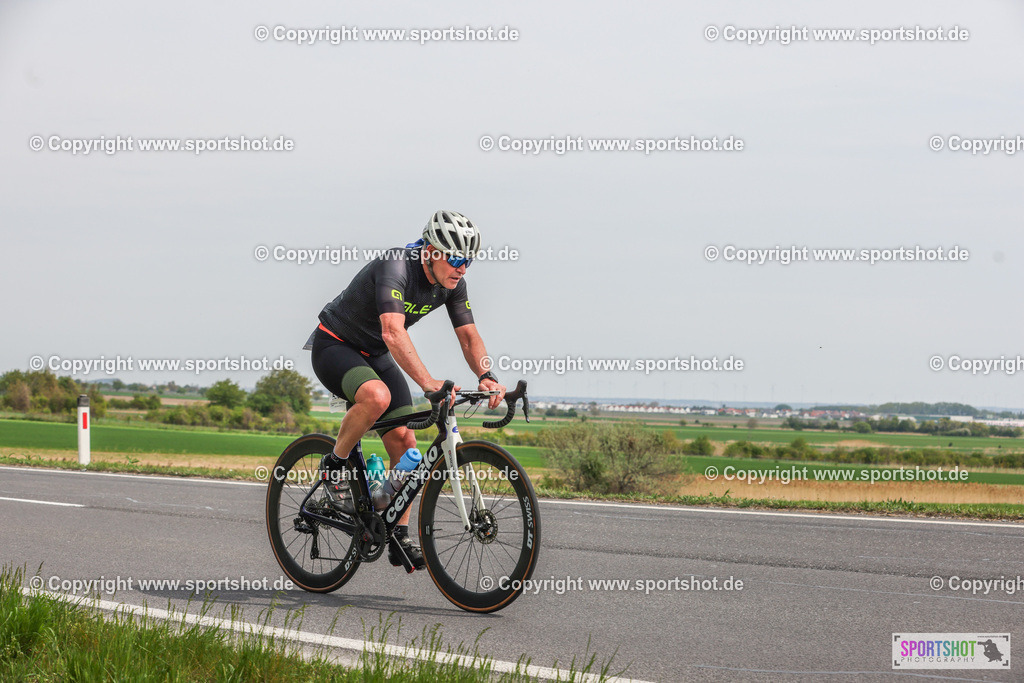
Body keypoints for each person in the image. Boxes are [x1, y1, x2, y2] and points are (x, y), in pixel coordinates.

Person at [308, 210, 506, 570]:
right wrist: (428, 383)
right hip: (337, 345)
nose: (463, 268)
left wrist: (486, 375)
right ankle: (334, 467)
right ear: (431, 251)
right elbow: (393, 332)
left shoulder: (453, 283)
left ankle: (398, 533)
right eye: (457, 258)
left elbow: (468, 335)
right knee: (377, 397)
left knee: (406, 446)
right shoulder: (396, 265)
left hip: (377, 356)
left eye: (469, 260)